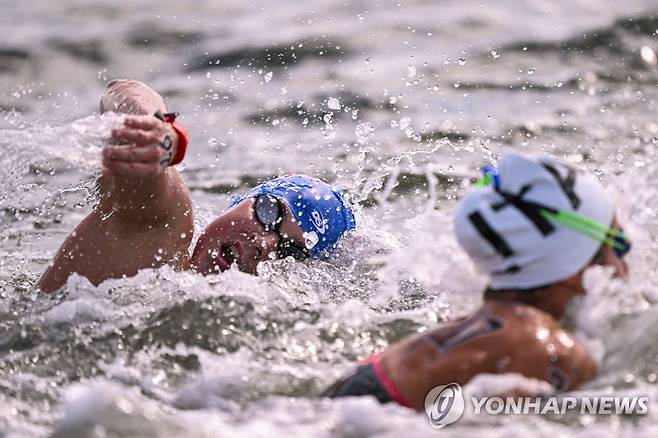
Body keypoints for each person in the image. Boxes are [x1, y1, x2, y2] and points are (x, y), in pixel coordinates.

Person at [324, 152, 630, 410]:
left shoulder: (477, 324)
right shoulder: (553, 352)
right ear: (574, 262)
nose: (624, 265)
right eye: (617, 243)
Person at [37, 80, 356, 292]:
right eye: (270, 212)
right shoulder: (162, 229)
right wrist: (156, 131)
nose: (266, 243)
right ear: (243, 200)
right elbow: (126, 89)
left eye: (291, 250)